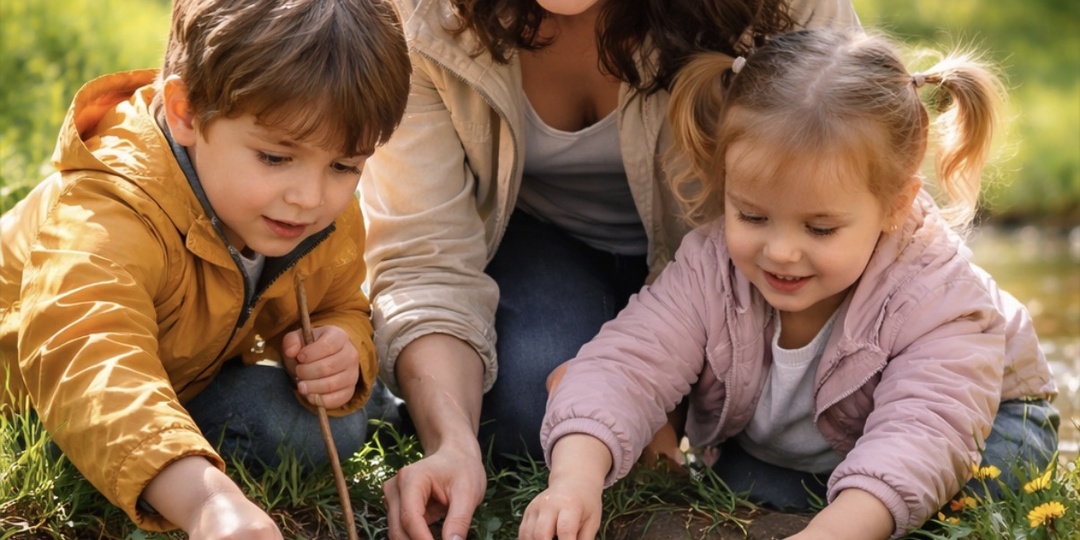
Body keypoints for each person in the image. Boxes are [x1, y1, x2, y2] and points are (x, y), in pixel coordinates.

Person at [521, 27, 1059, 540]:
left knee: (981, 485)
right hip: (813, 443)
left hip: (974, 424)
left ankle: (851, 505)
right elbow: (629, 362)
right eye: (752, 217)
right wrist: (574, 482)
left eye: (819, 228)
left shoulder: (937, 295)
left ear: (894, 205)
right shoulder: (712, 266)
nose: (780, 251)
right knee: (746, 490)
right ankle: (812, 492)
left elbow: (923, 435)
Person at [360, 0, 859, 537]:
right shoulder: (419, 17)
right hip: (545, 248)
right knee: (534, 409)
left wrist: (660, 401)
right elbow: (425, 259)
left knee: (817, 415)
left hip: (737, 276)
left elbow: (857, 169)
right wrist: (450, 440)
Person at [0, 0, 409, 536]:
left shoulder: (311, 212)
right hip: (53, 403)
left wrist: (344, 345)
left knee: (307, 422)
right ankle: (169, 465)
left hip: (185, 378)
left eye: (343, 165)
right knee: (277, 428)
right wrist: (207, 502)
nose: (310, 196)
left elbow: (338, 300)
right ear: (187, 112)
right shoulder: (111, 208)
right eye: (275, 157)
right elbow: (88, 350)